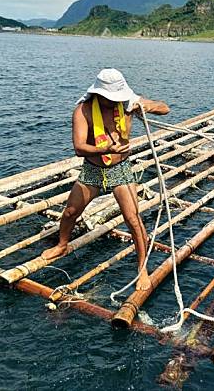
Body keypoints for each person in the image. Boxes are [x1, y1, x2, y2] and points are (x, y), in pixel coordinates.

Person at [41, 68, 170, 292]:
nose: (115, 102)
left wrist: (146, 106)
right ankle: (62, 245)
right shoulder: (83, 110)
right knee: (71, 212)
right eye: (111, 99)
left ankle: (142, 269)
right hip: (93, 169)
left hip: (121, 170)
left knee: (133, 218)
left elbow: (165, 108)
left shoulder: (128, 103)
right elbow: (79, 148)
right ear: (99, 94)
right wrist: (106, 148)